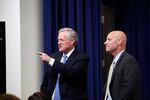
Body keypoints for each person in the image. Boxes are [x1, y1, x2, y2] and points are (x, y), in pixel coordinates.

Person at [36, 27, 89, 100]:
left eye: (62, 40)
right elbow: (45, 82)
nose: (59, 43)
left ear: (72, 41)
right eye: (58, 40)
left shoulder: (82, 58)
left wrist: (51, 61)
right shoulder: (54, 57)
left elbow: (71, 71)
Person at [103, 30, 141, 100]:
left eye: (109, 39)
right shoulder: (114, 62)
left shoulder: (129, 61)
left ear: (119, 42)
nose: (105, 43)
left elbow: (128, 89)